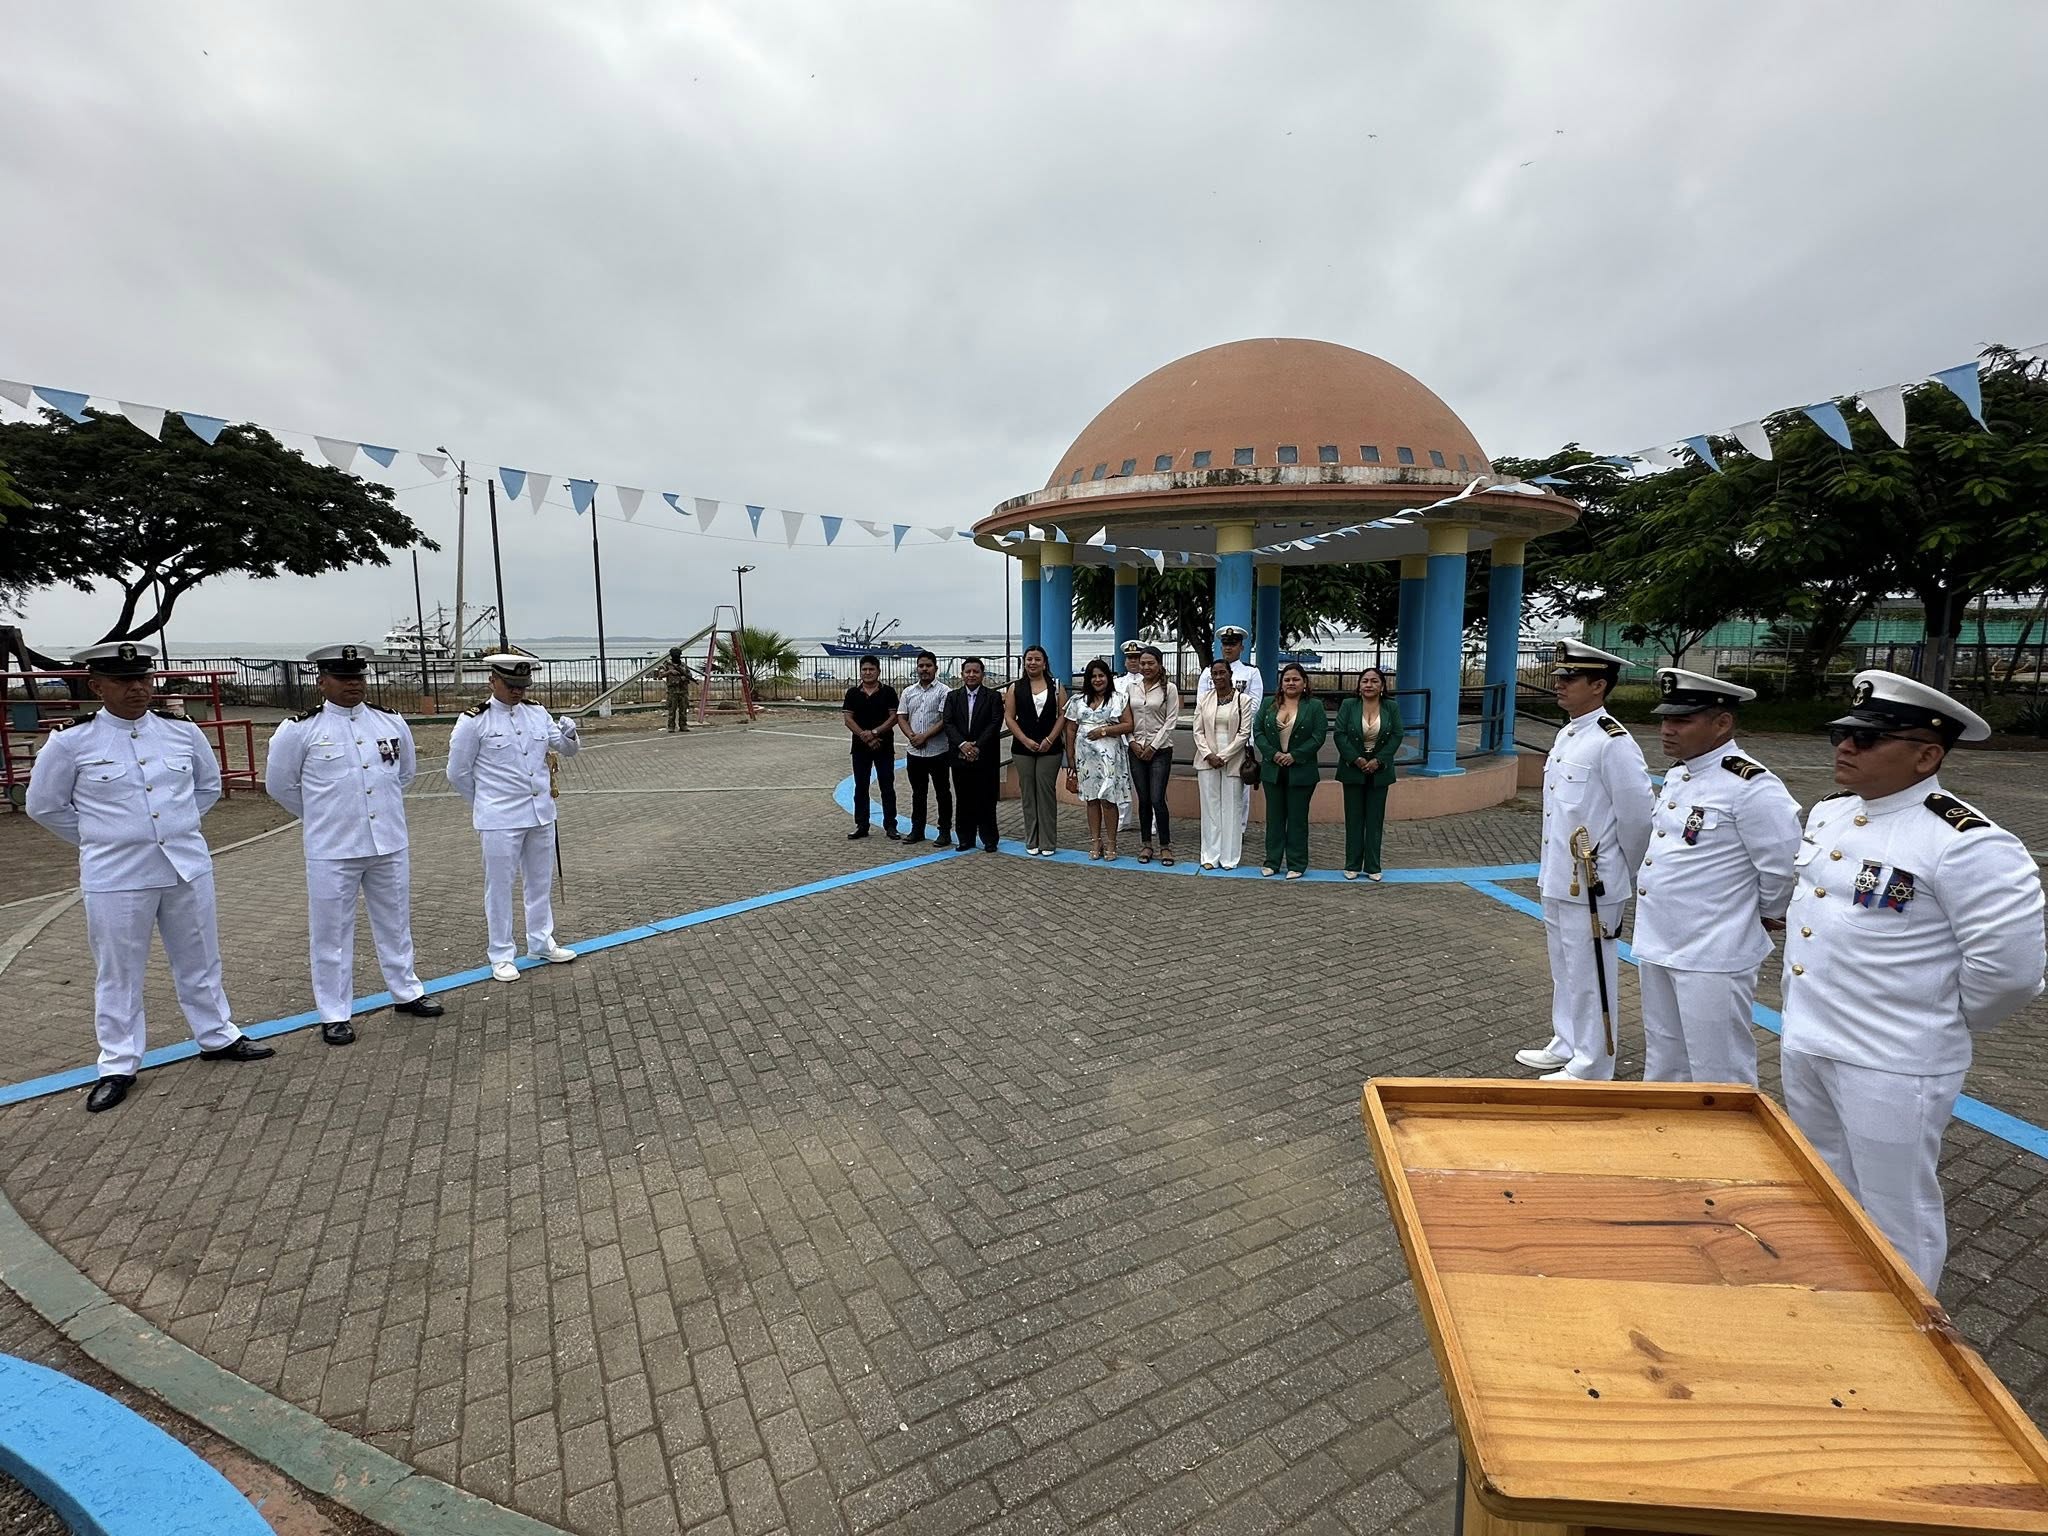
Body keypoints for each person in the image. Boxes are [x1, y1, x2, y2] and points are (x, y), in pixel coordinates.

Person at [1779, 670, 2044, 1288]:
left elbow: (2011, 973)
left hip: (1893, 1058)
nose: (1847, 747)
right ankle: (1841, 1295)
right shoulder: (1832, 814)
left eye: (1869, 739)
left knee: (1896, 1210)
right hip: (1811, 1037)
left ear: (1926, 756)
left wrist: (1934, 1019)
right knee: (1825, 1185)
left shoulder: (1967, 843)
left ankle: (1913, 1321)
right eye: (1843, 734)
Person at [24, 642, 276, 1113]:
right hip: (116, 873)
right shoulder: (71, 742)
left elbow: (207, 786)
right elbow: (44, 806)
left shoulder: (181, 731)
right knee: (119, 970)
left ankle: (217, 1035)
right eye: (123, 680)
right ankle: (118, 1063)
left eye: (143, 678)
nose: (137, 687)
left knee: (200, 959)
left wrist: (176, 825)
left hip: (185, 864)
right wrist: (103, 836)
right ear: (97, 686)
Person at [264, 644, 443, 1047]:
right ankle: (334, 1013)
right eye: (343, 678)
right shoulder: (299, 730)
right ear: (322, 681)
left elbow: (404, 774)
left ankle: (406, 991)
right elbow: (280, 786)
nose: (353, 684)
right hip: (332, 848)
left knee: (396, 923)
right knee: (331, 933)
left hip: (388, 842)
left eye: (358, 677)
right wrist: (325, 815)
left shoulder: (388, 721)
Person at [1632, 668, 1801, 1088]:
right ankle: (1668, 1124)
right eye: (1665, 719)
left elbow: (1782, 865)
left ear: (1722, 723)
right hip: (1661, 939)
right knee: (1665, 1056)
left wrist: (1764, 913)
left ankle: (1728, 1133)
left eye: (1682, 720)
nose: (1667, 729)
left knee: (1719, 1069)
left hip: (1714, 948)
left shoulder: (1752, 785)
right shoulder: (1680, 774)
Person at [1516, 640, 1652, 1081]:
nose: (1559, 683)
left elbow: (1637, 818)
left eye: (1570, 677)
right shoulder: (1569, 733)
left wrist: (1621, 871)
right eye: (1560, 676)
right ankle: (1568, 1042)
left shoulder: (1613, 742)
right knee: (1565, 967)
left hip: (1595, 882)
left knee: (1592, 971)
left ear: (1599, 685)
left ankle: (1593, 1063)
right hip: (1559, 875)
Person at [446, 654, 583, 983]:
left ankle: (540, 941)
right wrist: (485, 803)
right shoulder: (474, 721)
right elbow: (457, 773)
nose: (517, 691)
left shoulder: (536, 713)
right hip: (499, 818)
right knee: (499, 887)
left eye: (523, 685)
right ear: (493, 680)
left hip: (540, 813)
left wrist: (570, 735)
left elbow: (566, 749)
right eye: (511, 685)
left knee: (540, 882)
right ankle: (501, 953)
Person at [1254, 662, 1327, 878]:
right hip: (1273, 769)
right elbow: (1258, 731)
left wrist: (1295, 755)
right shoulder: (1269, 704)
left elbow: (1318, 736)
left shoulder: (1314, 706)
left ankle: (1296, 864)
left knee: (1297, 819)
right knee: (1274, 818)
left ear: (1304, 683)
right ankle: (1272, 861)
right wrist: (1273, 754)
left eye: (1296, 679)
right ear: (1281, 683)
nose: (1291, 683)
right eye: (1286, 679)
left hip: (1301, 770)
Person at [1334, 666, 1403, 881]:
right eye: (1365, 681)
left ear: (1382, 686)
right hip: (1352, 768)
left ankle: (1373, 866)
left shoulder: (1391, 707)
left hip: (1380, 770)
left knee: (1375, 820)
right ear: (1359, 685)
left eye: (1374, 681)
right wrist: (1357, 759)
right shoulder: (1348, 705)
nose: (1369, 685)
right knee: (1353, 819)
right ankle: (1352, 864)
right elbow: (1339, 734)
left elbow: (1397, 735)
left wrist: (1378, 760)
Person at [1064, 658, 1134, 860]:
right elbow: (1070, 729)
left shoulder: (1119, 698)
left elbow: (1128, 725)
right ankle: (1096, 841)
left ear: (1108, 677)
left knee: (1108, 799)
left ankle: (1112, 842)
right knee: (1091, 800)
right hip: (1085, 758)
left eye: (1101, 675)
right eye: (1093, 676)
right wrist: (1070, 755)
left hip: (1109, 758)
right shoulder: (1077, 700)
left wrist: (1104, 731)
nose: (1097, 680)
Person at [1196, 624, 1265, 824]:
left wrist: (1232, 716)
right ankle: (1217, 827)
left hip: (1239, 735)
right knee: (1213, 789)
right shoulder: (1207, 672)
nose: (1228, 648)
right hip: (1212, 737)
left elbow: (1254, 705)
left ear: (1241, 647)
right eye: (1225, 644)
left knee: (1239, 785)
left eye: (1233, 644)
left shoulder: (1251, 673)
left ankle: (1239, 827)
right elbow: (1202, 704)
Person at [1192, 657, 1254, 870]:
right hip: (1207, 759)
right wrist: (1209, 755)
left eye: (1222, 672)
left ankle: (1229, 858)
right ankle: (1210, 856)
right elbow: (1198, 731)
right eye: (1215, 674)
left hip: (1233, 760)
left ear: (1230, 674)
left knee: (1232, 808)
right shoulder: (1204, 700)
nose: (1218, 677)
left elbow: (1244, 733)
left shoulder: (1243, 700)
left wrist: (1224, 756)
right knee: (1210, 808)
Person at [1004, 644, 1065, 856]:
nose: (1033, 663)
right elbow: (1009, 717)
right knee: (1028, 794)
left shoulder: (1056, 686)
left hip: (1051, 748)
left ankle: (1048, 841)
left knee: (1046, 793)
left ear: (1044, 663)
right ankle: (1032, 840)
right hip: (1023, 749)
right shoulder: (1015, 687)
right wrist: (1025, 740)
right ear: (1024, 662)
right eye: (1029, 659)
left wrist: (1050, 739)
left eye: (1037, 659)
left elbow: (1063, 716)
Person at [1125, 646, 1180, 865]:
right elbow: (1125, 718)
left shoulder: (1170, 689)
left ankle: (1165, 845)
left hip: (1160, 751)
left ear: (1159, 664)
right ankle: (1146, 844)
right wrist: (1132, 742)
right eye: (1143, 663)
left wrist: (1153, 746)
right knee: (1144, 799)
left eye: (1150, 663)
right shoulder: (1131, 688)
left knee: (1157, 798)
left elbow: (1171, 721)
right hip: (1136, 749)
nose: (1146, 667)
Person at [944, 657, 1004, 851]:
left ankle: (989, 839)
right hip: (960, 756)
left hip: (986, 756)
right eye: (967, 672)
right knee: (964, 798)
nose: (971, 675)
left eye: (975, 672)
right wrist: (963, 745)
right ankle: (965, 838)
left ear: (982, 674)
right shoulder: (953, 697)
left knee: (986, 798)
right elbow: (948, 723)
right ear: (962, 674)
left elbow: (995, 723)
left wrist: (977, 746)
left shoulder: (993, 697)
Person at [895, 650, 952, 846]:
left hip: (938, 752)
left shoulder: (945, 691)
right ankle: (917, 830)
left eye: (928, 666)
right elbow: (901, 717)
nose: (924, 669)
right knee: (918, 793)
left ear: (936, 668)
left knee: (942, 793)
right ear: (917, 668)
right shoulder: (908, 692)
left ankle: (944, 832)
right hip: (915, 752)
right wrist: (912, 736)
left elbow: (945, 720)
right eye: (921, 666)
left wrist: (924, 736)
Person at [840, 654, 899, 840]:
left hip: (884, 745)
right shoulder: (852, 693)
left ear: (878, 671)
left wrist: (874, 732)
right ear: (860, 672)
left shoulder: (888, 692)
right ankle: (862, 825)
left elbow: (894, 717)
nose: (867, 672)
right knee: (861, 787)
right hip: (860, 747)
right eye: (864, 669)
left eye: (871, 669)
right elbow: (848, 719)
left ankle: (891, 825)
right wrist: (864, 736)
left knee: (887, 786)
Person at [654, 646, 695, 732]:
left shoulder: (683, 665)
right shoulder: (666, 665)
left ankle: (683, 725)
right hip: (672, 691)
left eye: (678, 655)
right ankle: (671, 726)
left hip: (683, 690)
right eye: (675, 655)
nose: (677, 657)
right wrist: (670, 672)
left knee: (683, 709)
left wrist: (685, 678)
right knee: (672, 710)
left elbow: (689, 675)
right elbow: (659, 676)